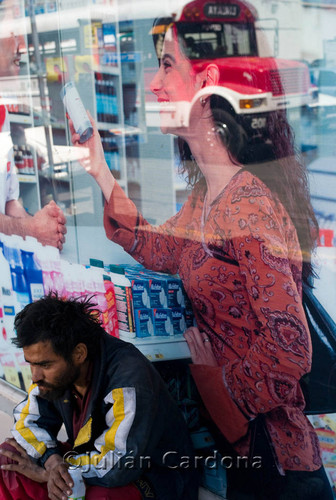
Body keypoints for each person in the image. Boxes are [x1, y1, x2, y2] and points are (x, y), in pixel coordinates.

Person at [69, 7, 333, 500]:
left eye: (167, 65)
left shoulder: (248, 205)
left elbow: (291, 348)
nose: (154, 83)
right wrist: (101, 170)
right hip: (250, 458)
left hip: (279, 468)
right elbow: (159, 246)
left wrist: (218, 385)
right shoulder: (209, 197)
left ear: (208, 80)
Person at [0, 294, 198, 500]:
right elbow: (26, 422)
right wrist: (51, 462)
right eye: (31, 363)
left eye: (44, 365)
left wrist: (52, 473)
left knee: (96, 497)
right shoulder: (55, 371)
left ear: (79, 354)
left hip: (149, 475)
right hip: (87, 460)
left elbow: (119, 464)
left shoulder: (129, 379)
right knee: (8, 459)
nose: (35, 375)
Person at [0, 0, 66, 250]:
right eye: (13, 29)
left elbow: (8, 203)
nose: (22, 45)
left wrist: (43, 226)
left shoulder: (2, 114)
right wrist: (31, 230)